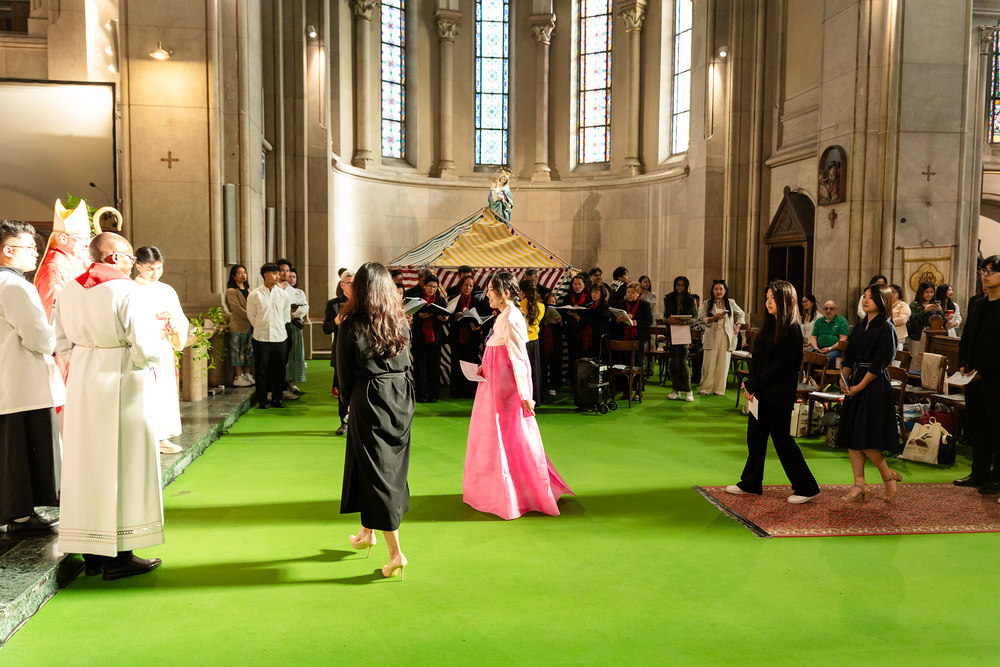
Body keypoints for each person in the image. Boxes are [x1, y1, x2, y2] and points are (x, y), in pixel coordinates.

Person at [55, 232, 166, 580]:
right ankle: (119, 557)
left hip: (83, 381)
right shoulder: (127, 290)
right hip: (123, 379)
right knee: (125, 463)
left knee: (88, 463)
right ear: (115, 257)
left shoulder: (69, 289)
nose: (133, 264)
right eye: (130, 257)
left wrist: (89, 357)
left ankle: (92, 554)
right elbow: (146, 347)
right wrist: (140, 362)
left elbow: (61, 343)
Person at [464, 271, 574, 519]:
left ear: (505, 293)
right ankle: (500, 489)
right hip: (493, 384)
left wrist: (525, 394)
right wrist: (484, 365)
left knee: (508, 435)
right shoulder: (505, 314)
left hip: (504, 388)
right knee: (497, 436)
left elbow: (518, 359)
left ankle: (516, 492)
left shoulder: (512, 317)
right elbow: (498, 348)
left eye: (491, 290)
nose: (487, 294)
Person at [337, 262, 414, 580]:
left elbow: (344, 373)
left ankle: (396, 554)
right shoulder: (400, 320)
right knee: (380, 465)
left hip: (370, 397)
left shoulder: (352, 324)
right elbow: (408, 361)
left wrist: (346, 406)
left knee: (378, 472)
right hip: (401, 395)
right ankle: (366, 532)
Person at [726, 280, 820, 504]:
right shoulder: (770, 325)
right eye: (767, 298)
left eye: (773, 299)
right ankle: (751, 483)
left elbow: (780, 367)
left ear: (785, 300)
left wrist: (755, 384)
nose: (768, 302)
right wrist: (751, 384)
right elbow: (757, 358)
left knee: (782, 441)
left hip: (778, 394)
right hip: (761, 392)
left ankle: (806, 487)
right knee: (755, 438)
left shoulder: (792, 329)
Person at [0, 221, 64, 537]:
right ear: (7, 251)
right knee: (20, 453)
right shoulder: (14, 285)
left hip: (8, 382)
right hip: (20, 383)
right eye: (29, 247)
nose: (36, 253)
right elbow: (39, 338)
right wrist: (60, 334)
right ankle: (22, 517)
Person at [837, 285, 902, 502]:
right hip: (856, 380)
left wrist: (860, 386)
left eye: (871, 298)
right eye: (864, 296)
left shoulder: (886, 327)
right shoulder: (859, 326)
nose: (865, 300)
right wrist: (844, 378)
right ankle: (860, 484)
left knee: (866, 439)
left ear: (882, 301)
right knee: (853, 436)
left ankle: (888, 477)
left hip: (874, 384)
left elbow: (879, 363)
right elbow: (849, 357)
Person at [34, 199, 96, 384]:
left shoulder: (78, 263)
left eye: (89, 237)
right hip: (66, 348)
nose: (88, 243)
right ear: (62, 238)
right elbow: (54, 317)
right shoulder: (54, 268)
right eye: (82, 238)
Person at [133, 246, 188, 455]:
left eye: (159, 268)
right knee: (146, 392)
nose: (155, 273)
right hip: (142, 348)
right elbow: (129, 321)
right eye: (150, 268)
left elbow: (180, 318)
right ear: (138, 266)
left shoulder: (167, 290)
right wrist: (155, 320)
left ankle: (162, 436)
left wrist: (174, 327)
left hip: (163, 347)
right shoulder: (131, 290)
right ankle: (144, 437)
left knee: (164, 392)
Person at [954, 256, 1000, 495]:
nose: (985, 275)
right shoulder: (976, 303)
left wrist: (984, 371)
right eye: (984, 270)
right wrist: (963, 363)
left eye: (991, 271)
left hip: (996, 379)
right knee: (978, 427)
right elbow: (967, 337)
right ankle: (979, 473)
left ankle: (997, 478)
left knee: (997, 429)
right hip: (972, 377)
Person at [246, 263, 291, 409]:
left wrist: (277, 326)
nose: (278, 276)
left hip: (280, 337)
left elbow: (285, 317)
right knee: (261, 371)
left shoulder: (283, 295)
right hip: (261, 337)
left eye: (278, 273)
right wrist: (262, 326)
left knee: (279, 370)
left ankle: (277, 398)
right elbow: (251, 316)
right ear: (265, 275)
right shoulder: (255, 295)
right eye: (274, 273)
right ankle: (263, 400)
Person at [697, 280, 746, 396]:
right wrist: (714, 318)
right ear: (712, 291)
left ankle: (719, 389)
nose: (718, 291)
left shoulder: (731, 302)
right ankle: (705, 388)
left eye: (721, 289)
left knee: (723, 364)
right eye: (716, 289)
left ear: (725, 291)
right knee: (709, 363)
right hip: (711, 336)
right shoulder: (707, 303)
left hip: (726, 336)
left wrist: (738, 326)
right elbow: (702, 319)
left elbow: (741, 314)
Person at [611, 281, 653, 400]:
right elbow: (614, 321)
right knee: (624, 364)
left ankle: (638, 391)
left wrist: (637, 323)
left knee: (637, 364)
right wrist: (618, 320)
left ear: (638, 293)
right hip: (624, 337)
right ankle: (626, 390)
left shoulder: (644, 305)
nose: (629, 295)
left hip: (638, 338)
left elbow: (649, 321)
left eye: (632, 293)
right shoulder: (621, 304)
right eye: (628, 292)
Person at [323, 270, 353, 435]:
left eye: (355, 283)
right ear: (342, 285)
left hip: (361, 352)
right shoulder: (333, 304)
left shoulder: (363, 301)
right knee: (343, 390)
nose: (353, 286)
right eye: (349, 283)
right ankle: (345, 422)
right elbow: (326, 328)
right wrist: (336, 320)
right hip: (341, 351)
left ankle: (359, 423)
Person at [411, 274, 448, 403]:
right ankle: (421, 395)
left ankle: (433, 394)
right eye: (430, 286)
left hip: (435, 338)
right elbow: (410, 315)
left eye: (434, 287)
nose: (432, 289)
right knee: (420, 369)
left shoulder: (440, 300)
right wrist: (419, 316)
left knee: (434, 368)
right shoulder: (417, 299)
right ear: (424, 286)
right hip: (420, 337)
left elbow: (445, 318)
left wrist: (444, 319)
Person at [449, 275, 484, 399]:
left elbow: (480, 319)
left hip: (471, 338)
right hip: (456, 336)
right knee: (456, 364)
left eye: (471, 286)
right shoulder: (453, 299)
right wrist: (455, 316)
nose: (468, 288)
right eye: (466, 285)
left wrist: (477, 325)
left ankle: (469, 390)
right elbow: (447, 316)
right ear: (461, 286)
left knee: (470, 364)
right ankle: (456, 391)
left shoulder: (475, 301)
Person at [664, 276, 698, 402]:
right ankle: (676, 389)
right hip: (672, 331)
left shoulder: (690, 299)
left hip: (684, 331)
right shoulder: (669, 298)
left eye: (682, 285)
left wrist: (683, 322)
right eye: (678, 284)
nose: (679, 287)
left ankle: (688, 390)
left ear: (686, 286)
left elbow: (695, 318)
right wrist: (668, 320)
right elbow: (664, 317)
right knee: (674, 362)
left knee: (683, 361)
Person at [274, 259, 299, 401]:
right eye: (282, 270)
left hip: (287, 325)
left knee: (284, 359)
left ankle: (283, 389)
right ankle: (272, 389)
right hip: (274, 326)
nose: (285, 273)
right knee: (275, 360)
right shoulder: (273, 288)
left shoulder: (292, 290)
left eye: (288, 270)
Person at [226, 264, 255, 386]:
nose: (243, 275)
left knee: (249, 351)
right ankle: (238, 376)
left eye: (244, 272)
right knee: (238, 351)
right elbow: (236, 308)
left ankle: (247, 374)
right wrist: (252, 316)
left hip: (250, 326)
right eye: (240, 273)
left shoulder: (249, 289)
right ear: (234, 276)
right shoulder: (232, 291)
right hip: (238, 326)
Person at [519, 278, 545, 407]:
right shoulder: (541, 306)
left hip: (523, 341)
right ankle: (537, 398)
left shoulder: (519, 306)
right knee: (535, 369)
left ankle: (525, 398)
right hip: (535, 340)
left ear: (521, 291)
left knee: (523, 371)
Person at [561, 274, 591, 384]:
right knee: (572, 355)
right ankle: (571, 379)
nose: (577, 286)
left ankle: (583, 380)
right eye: (574, 284)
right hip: (571, 331)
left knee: (583, 356)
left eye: (579, 284)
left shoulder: (589, 298)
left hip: (584, 331)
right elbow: (563, 311)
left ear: (584, 285)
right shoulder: (568, 297)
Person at [284, 267, 309, 395]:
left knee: (296, 353)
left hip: (296, 326)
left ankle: (292, 381)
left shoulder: (299, 292)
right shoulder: (281, 291)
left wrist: (293, 315)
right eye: (289, 276)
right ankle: (284, 382)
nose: (291, 279)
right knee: (286, 355)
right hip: (284, 326)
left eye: (294, 277)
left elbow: (305, 308)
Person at [906, 281, 939, 369]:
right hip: (918, 334)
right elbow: (913, 320)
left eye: (931, 292)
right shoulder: (914, 304)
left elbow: (941, 320)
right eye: (927, 292)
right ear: (921, 293)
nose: (929, 295)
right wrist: (925, 311)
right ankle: (914, 375)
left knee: (930, 359)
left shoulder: (935, 305)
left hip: (932, 334)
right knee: (916, 358)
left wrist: (941, 311)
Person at [578, 282, 612, 358]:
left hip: (599, 338)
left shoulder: (605, 306)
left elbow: (599, 320)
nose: (593, 294)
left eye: (596, 292)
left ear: (602, 293)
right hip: (589, 336)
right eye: (592, 292)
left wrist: (581, 319)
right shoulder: (589, 305)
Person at [540, 292, 564, 396]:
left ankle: (553, 386)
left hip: (556, 341)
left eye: (553, 302)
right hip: (543, 341)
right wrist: (543, 323)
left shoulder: (559, 312)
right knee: (543, 365)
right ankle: (543, 385)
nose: (551, 304)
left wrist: (560, 322)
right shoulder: (540, 310)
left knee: (555, 364)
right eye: (549, 302)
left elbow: (563, 330)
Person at [888, 284, 911, 352]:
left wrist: (887, 321)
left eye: (893, 292)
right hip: (884, 335)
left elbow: (902, 319)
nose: (891, 294)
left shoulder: (903, 305)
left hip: (898, 336)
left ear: (899, 294)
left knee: (897, 356)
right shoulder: (884, 305)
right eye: (889, 292)